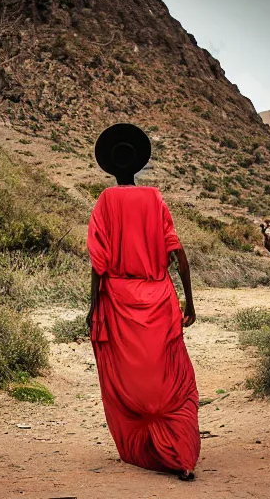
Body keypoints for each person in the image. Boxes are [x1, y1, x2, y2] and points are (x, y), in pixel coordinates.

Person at [87, 123, 200, 481]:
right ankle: (180, 455)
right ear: (137, 166)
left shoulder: (106, 201)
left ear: (111, 168)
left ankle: (148, 448)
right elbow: (178, 254)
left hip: (120, 302)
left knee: (130, 380)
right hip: (161, 299)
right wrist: (190, 301)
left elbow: (98, 264)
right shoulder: (154, 198)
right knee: (171, 379)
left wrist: (93, 307)